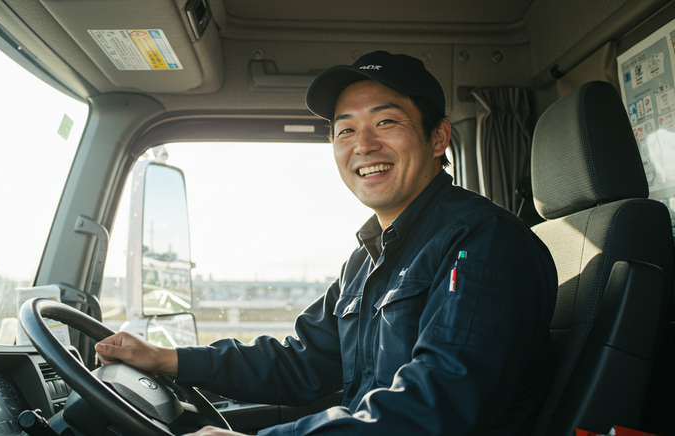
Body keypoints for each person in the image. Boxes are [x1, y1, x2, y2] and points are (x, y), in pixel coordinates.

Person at [95, 51, 558, 435]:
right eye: (346, 130)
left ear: (438, 137)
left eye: (386, 122)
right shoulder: (367, 258)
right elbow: (301, 363)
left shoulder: (482, 241)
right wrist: (165, 358)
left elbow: (437, 407)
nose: (364, 145)